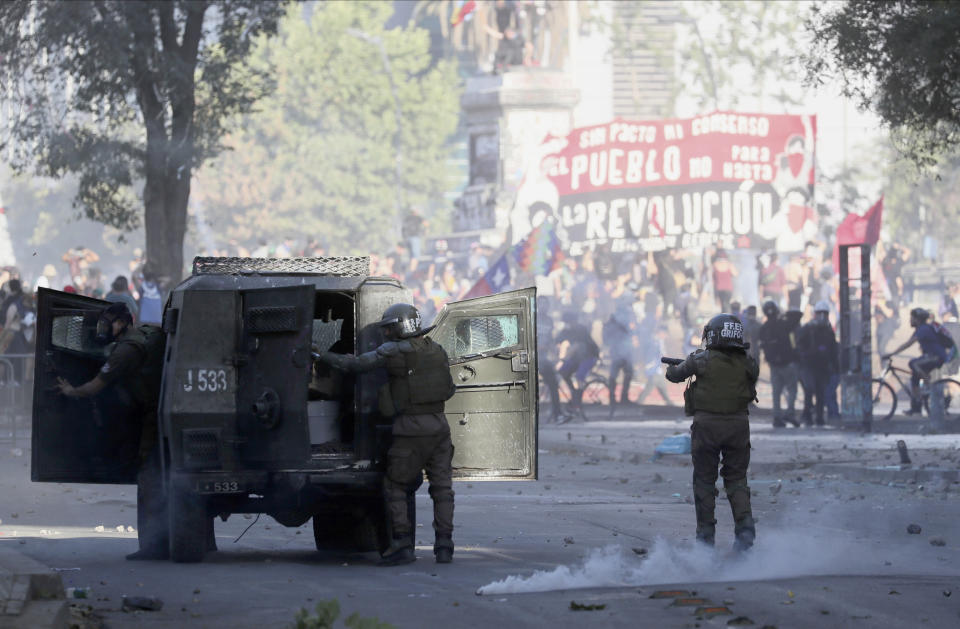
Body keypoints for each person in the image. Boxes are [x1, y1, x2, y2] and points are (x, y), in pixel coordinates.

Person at [315, 303, 456, 566]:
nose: (386, 334)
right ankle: (445, 546)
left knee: (396, 486)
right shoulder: (437, 351)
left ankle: (402, 544)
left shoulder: (393, 351)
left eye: (389, 328)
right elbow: (449, 390)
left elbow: (357, 365)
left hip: (410, 430)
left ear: (399, 327)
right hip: (439, 428)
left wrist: (321, 356)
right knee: (443, 489)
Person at [55, 303, 178, 560]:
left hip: (153, 416)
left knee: (149, 478)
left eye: (108, 322)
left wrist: (71, 392)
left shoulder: (125, 352)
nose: (104, 328)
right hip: (167, 408)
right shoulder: (147, 333)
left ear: (121, 323)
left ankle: (154, 545)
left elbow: (95, 387)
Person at [665, 314, 759, 550]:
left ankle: (706, 538)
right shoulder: (748, 362)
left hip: (707, 427)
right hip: (738, 427)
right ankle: (745, 530)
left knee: (705, 480)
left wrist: (677, 366)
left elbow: (674, 375)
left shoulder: (700, 359)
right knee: (737, 480)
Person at [883, 307, 948, 415]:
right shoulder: (920, 329)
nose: (910, 321)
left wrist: (892, 353)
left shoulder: (924, 329)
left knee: (913, 363)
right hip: (931, 356)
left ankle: (928, 382)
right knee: (914, 379)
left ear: (917, 319)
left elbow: (908, 344)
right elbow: (909, 342)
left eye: (912, 318)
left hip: (936, 357)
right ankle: (916, 407)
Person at [796, 301, 839, 427]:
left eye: (824, 313)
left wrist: (835, 366)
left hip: (823, 367)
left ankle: (819, 417)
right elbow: (799, 344)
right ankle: (808, 415)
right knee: (809, 390)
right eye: (819, 313)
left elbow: (832, 350)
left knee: (821, 393)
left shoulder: (828, 331)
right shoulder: (808, 328)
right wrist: (805, 355)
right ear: (815, 314)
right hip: (809, 365)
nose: (822, 316)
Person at [758, 300, 799, 427]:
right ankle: (790, 413)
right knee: (792, 389)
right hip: (787, 363)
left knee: (776, 392)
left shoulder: (763, 328)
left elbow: (762, 345)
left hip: (773, 365)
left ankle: (777, 417)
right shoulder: (783, 323)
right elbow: (796, 318)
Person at [603, 300, 636, 405]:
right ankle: (620, 397)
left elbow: (606, 339)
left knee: (620, 374)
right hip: (620, 351)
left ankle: (615, 397)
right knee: (624, 373)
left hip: (620, 351)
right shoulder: (620, 322)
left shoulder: (610, 323)